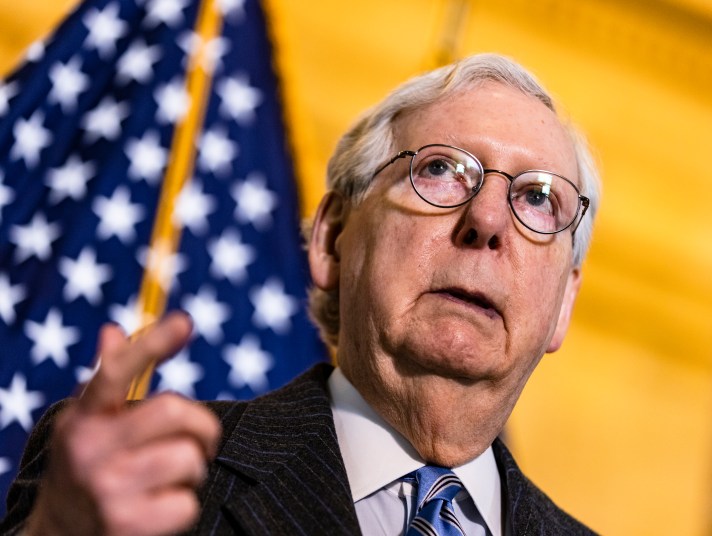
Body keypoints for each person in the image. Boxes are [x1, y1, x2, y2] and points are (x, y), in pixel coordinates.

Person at [1, 53, 600, 535]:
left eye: (538, 199)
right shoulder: (133, 487)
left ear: (563, 305)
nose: (488, 220)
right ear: (331, 239)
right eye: (442, 170)